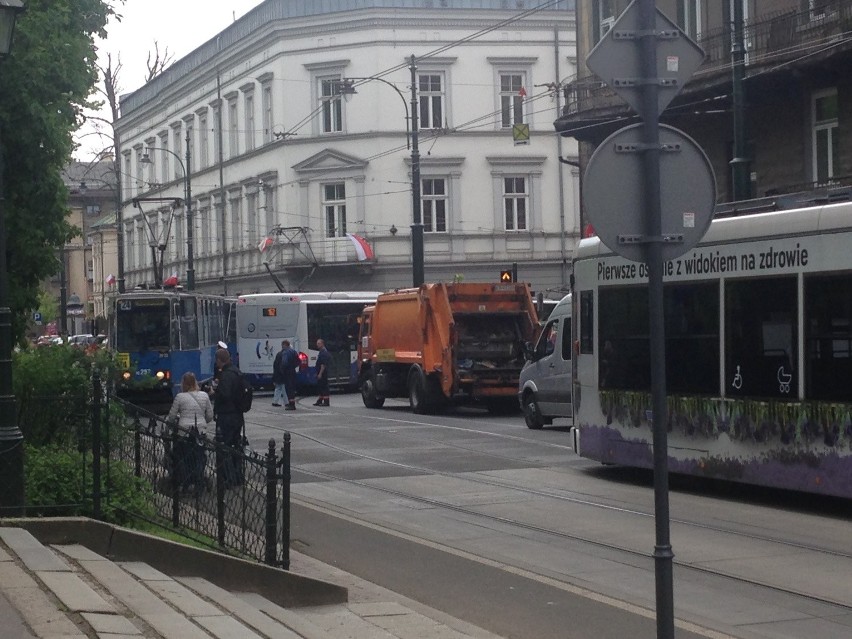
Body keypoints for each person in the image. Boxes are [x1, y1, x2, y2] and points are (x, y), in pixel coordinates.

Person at [213, 348, 245, 487]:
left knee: (224, 446)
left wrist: (215, 391)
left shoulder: (226, 375)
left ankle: (228, 478)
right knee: (236, 445)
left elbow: (225, 394)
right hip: (238, 415)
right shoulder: (237, 372)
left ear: (219, 360)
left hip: (226, 415)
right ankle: (238, 476)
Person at [281, 339, 299, 410]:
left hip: (287, 372)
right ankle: (292, 403)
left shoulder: (285, 352)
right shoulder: (294, 351)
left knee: (288, 388)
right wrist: (293, 366)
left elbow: (284, 363)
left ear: (285, 345)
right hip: (293, 371)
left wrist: (282, 370)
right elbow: (298, 361)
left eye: (282, 345)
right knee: (292, 387)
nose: (282, 347)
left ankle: (291, 404)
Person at [313, 338, 331, 406]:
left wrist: (320, 373)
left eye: (319, 343)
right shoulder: (321, 352)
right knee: (320, 386)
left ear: (322, 344)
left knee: (324, 386)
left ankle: (326, 401)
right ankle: (320, 400)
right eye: (317, 343)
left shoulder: (324, 352)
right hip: (320, 372)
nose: (317, 345)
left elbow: (323, 364)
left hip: (323, 373)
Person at [271, 341, 289, 407]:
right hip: (282, 374)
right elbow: (284, 364)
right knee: (284, 389)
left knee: (278, 388)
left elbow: (275, 365)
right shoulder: (285, 354)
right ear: (287, 346)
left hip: (277, 374)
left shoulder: (278, 354)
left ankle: (275, 402)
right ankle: (286, 402)